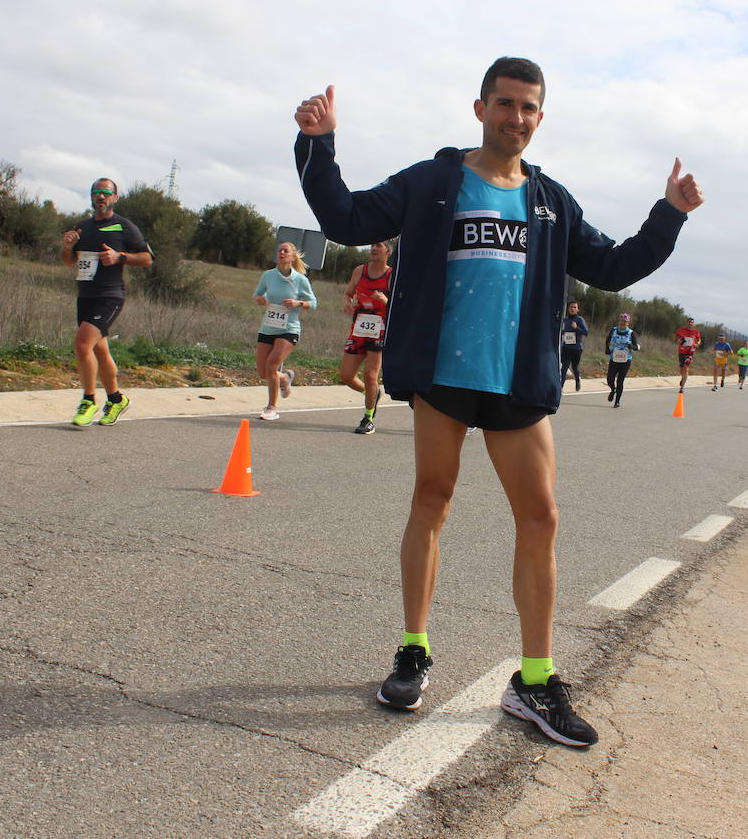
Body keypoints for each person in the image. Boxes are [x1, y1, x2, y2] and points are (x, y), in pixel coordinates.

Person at [294, 56, 703, 746]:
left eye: (529, 108)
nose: (516, 117)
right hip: (445, 376)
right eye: (505, 104)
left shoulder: (550, 201)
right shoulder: (433, 182)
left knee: (541, 517)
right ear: (480, 108)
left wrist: (669, 215)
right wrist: (318, 143)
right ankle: (413, 651)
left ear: (541, 118)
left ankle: (535, 681)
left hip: (516, 381)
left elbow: (610, 265)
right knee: (432, 501)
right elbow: (346, 215)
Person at [61, 178, 152, 428]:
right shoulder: (83, 227)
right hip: (86, 295)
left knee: (82, 345)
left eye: (106, 193)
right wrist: (68, 247)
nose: (101, 197)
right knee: (100, 349)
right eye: (96, 193)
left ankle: (88, 400)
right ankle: (116, 399)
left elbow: (146, 259)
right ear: (91, 197)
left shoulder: (124, 226)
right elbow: (69, 261)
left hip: (110, 295)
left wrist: (119, 256)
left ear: (114, 197)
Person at [253, 242, 317, 421]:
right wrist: (259, 299)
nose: (281, 252)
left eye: (285, 250)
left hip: (289, 329)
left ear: (292, 256)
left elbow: (313, 303)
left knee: (272, 365)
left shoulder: (300, 280)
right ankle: (285, 378)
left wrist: (298, 303)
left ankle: (271, 408)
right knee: (262, 372)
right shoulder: (268, 276)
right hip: (268, 326)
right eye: (279, 250)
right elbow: (257, 293)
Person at [340, 240, 393, 433]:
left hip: (379, 331)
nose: (373, 248)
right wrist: (347, 302)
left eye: (378, 245)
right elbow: (347, 293)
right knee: (346, 375)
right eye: (371, 245)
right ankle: (371, 394)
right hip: (358, 330)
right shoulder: (359, 271)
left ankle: (368, 417)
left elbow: (400, 305)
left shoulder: (391, 275)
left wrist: (386, 300)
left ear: (387, 251)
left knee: (371, 375)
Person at [606, 313, 641, 408]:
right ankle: (613, 389)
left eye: (625, 321)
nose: (623, 323)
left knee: (620, 381)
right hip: (614, 359)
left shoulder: (631, 333)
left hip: (625, 361)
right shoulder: (613, 330)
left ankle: (617, 401)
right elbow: (608, 340)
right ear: (619, 321)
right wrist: (607, 349)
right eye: (621, 321)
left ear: (628, 323)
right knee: (609, 380)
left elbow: (637, 347)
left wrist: (632, 346)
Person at [559, 301, 588, 392]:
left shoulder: (580, 319)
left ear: (578, 310)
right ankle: (560, 387)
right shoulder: (565, 320)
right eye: (571, 307)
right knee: (564, 367)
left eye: (575, 307)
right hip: (566, 347)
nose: (573, 309)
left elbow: (586, 332)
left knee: (575, 367)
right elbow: (561, 332)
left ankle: (577, 380)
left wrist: (576, 328)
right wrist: (562, 332)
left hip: (577, 349)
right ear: (568, 308)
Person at [674, 317, 702, 393]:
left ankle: (682, 387)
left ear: (693, 324)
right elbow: (675, 337)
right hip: (681, 351)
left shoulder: (696, 332)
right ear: (686, 323)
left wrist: (697, 344)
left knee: (686, 368)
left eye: (692, 322)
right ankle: (683, 378)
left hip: (690, 352)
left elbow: (699, 339)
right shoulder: (681, 330)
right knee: (681, 369)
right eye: (689, 322)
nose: (690, 323)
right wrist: (678, 340)